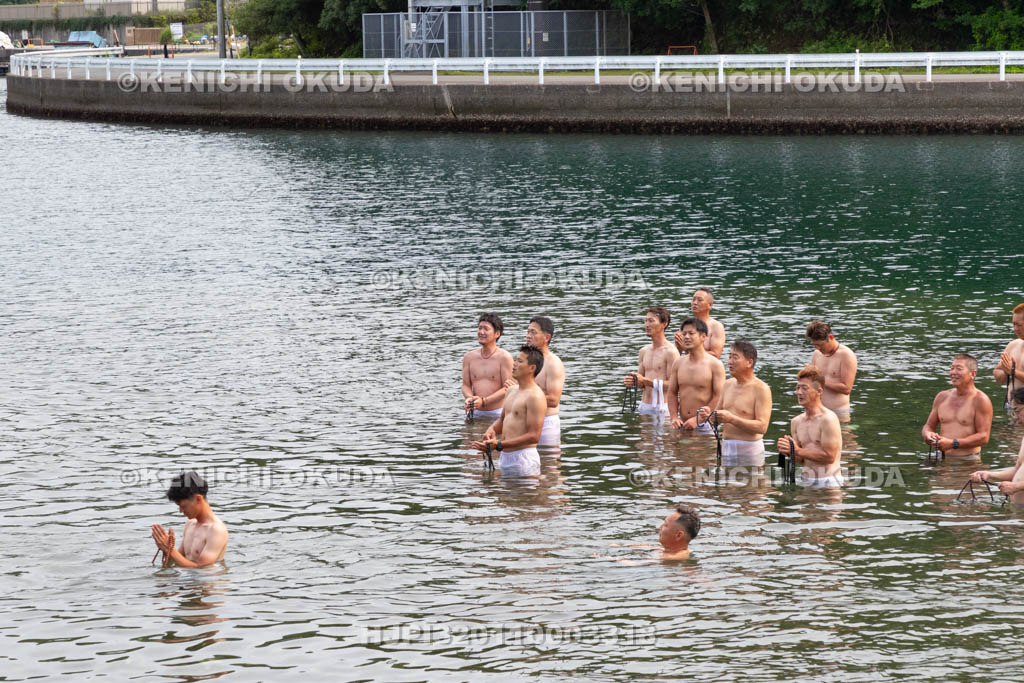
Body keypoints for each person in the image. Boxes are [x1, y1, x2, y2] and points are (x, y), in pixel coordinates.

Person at [473, 345, 547, 475]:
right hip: (505, 457)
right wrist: (491, 430)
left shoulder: (535, 396)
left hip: (524, 458)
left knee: (525, 489)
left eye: (520, 361)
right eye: (515, 360)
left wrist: (499, 444)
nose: (514, 364)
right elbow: (502, 420)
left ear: (532, 368)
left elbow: (534, 436)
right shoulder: (511, 390)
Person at [697, 341, 772, 466]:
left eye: (735, 357)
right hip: (727, 447)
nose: (730, 362)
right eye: (729, 357)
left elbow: (762, 427)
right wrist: (707, 415)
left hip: (749, 450)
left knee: (750, 479)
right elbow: (716, 419)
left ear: (749, 362)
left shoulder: (761, 389)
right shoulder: (727, 384)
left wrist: (732, 419)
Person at [777, 366, 843, 488]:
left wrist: (797, 450)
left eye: (804, 388)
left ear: (819, 391)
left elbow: (830, 457)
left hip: (829, 482)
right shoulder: (796, 422)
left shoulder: (828, 419)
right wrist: (788, 451)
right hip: (806, 480)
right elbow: (801, 460)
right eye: (797, 388)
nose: (799, 392)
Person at [921, 353, 993, 461]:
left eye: (959, 369)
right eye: (952, 368)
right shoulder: (942, 397)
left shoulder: (980, 400)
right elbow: (929, 425)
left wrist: (953, 443)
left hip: (968, 461)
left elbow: (984, 437)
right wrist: (927, 434)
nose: (953, 372)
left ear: (973, 374)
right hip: (941, 458)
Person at [151, 471, 229, 568]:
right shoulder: (190, 524)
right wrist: (165, 547)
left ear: (198, 499)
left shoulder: (216, 530)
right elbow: (177, 559)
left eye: (183, 506)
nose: (180, 511)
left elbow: (202, 568)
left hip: (206, 577)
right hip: (188, 575)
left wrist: (170, 549)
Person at [667, 317, 725, 431]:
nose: (686, 337)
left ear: (703, 336)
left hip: (706, 424)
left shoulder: (715, 364)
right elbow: (672, 393)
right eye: (684, 334)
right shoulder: (678, 363)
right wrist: (674, 417)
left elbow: (719, 396)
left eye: (691, 333)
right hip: (682, 423)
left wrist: (698, 419)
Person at [970, 387, 1024, 504]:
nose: (1015, 417)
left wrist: (1016, 487)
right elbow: (1017, 470)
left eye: (1017, 410)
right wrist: (990, 474)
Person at [622, 307, 679, 417]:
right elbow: (641, 384)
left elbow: (673, 386)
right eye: (646, 321)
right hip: (645, 406)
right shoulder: (643, 351)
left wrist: (645, 380)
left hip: (664, 407)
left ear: (664, 324)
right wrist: (634, 381)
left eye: (651, 321)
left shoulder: (671, 352)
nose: (647, 325)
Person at [462, 313, 514, 420]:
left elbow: (508, 388)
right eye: (480, 328)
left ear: (497, 333)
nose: (481, 332)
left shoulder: (504, 357)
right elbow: (465, 385)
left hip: (497, 413)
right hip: (474, 411)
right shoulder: (469, 357)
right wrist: (470, 399)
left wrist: (484, 401)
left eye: (486, 329)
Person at [525, 316, 564, 446]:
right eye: (528, 332)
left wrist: (522, 396)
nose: (528, 336)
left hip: (546, 422)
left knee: (548, 458)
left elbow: (553, 400)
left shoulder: (553, 363)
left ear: (546, 337)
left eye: (533, 332)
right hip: (524, 421)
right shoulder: (524, 360)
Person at [805, 321, 858, 418]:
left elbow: (846, 389)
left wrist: (820, 380)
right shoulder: (817, 354)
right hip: (816, 411)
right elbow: (814, 385)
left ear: (831, 337)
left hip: (838, 413)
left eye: (820, 345)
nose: (818, 348)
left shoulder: (846, 355)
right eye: (814, 345)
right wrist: (809, 376)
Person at [674, 288, 725, 359]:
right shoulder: (687, 325)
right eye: (693, 299)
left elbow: (716, 355)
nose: (695, 303)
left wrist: (688, 349)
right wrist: (678, 346)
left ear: (710, 305)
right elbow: (676, 355)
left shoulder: (716, 326)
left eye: (699, 300)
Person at [993, 303, 1024, 405]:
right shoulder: (1013, 345)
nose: (1015, 328)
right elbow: (997, 372)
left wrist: (1013, 371)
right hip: (1012, 406)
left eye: (1019, 325)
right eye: (1013, 324)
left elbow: (1011, 371)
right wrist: (1006, 372)